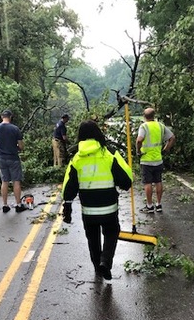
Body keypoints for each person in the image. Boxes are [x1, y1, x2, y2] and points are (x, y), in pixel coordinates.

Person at [62, 120, 133, 280]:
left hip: (88, 210)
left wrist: (67, 205)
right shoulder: (110, 154)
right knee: (112, 231)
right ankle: (105, 262)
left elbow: (69, 187)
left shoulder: (77, 159)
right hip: (109, 208)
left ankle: (97, 266)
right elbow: (126, 181)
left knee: (92, 237)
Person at [136, 107, 175, 213]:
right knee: (158, 181)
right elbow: (172, 138)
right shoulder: (160, 126)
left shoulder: (143, 126)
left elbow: (139, 140)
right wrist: (166, 148)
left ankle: (149, 206)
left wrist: (138, 151)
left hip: (146, 159)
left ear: (144, 116)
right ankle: (158, 204)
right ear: (154, 116)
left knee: (147, 183)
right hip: (158, 159)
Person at [0, 110, 25, 213]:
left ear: (2, 116)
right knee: (16, 181)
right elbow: (21, 146)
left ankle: (5, 205)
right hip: (13, 158)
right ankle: (18, 204)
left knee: (4, 181)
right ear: (10, 117)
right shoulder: (15, 129)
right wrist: (16, 148)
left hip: (1, 158)